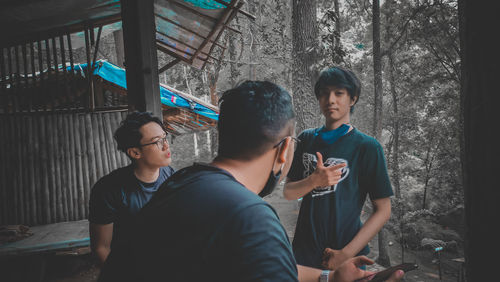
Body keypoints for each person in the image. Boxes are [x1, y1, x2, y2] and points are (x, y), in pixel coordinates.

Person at [98, 81, 403, 282]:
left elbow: (258, 262)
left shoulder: (180, 183)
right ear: (284, 150)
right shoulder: (251, 217)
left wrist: (328, 278)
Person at [284, 67, 394, 270]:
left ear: (352, 99)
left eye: (339, 93)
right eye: (324, 93)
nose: (330, 99)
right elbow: (289, 193)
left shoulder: (367, 147)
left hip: (346, 255)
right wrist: (314, 181)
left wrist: (346, 254)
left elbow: (383, 210)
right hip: (303, 253)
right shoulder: (307, 139)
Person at [88, 111, 175, 265]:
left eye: (165, 138)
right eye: (157, 142)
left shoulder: (169, 174)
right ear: (135, 152)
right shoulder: (108, 190)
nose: (166, 146)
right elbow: (101, 248)